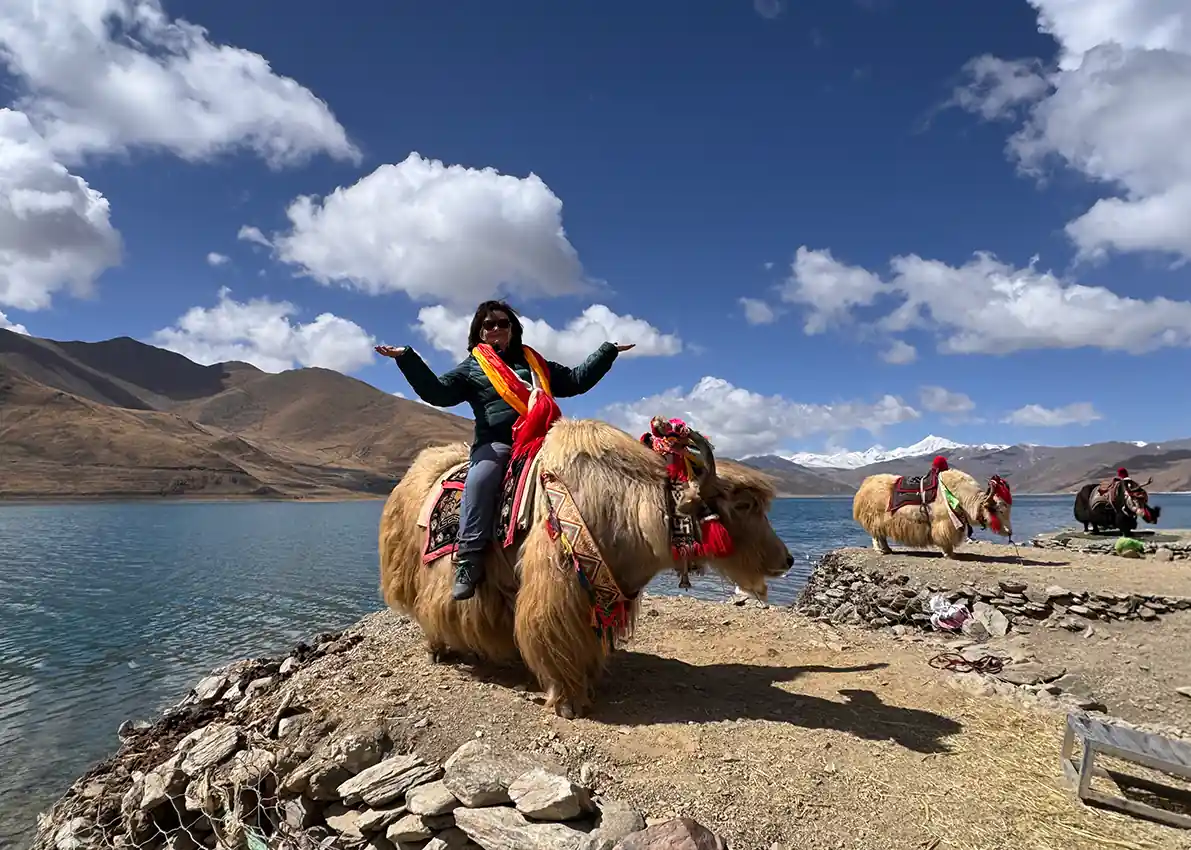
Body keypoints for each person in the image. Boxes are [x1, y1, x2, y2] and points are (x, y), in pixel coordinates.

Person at [375, 300, 634, 601]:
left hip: (545, 439)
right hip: (498, 443)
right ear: (480, 332)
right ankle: (469, 559)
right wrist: (407, 358)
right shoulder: (473, 368)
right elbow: (439, 393)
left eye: (503, 323)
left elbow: (576, 381)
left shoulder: (536, 363)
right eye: (489, 324)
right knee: (481, 479)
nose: (496, 328)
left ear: (513, 328)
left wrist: (607, 351)